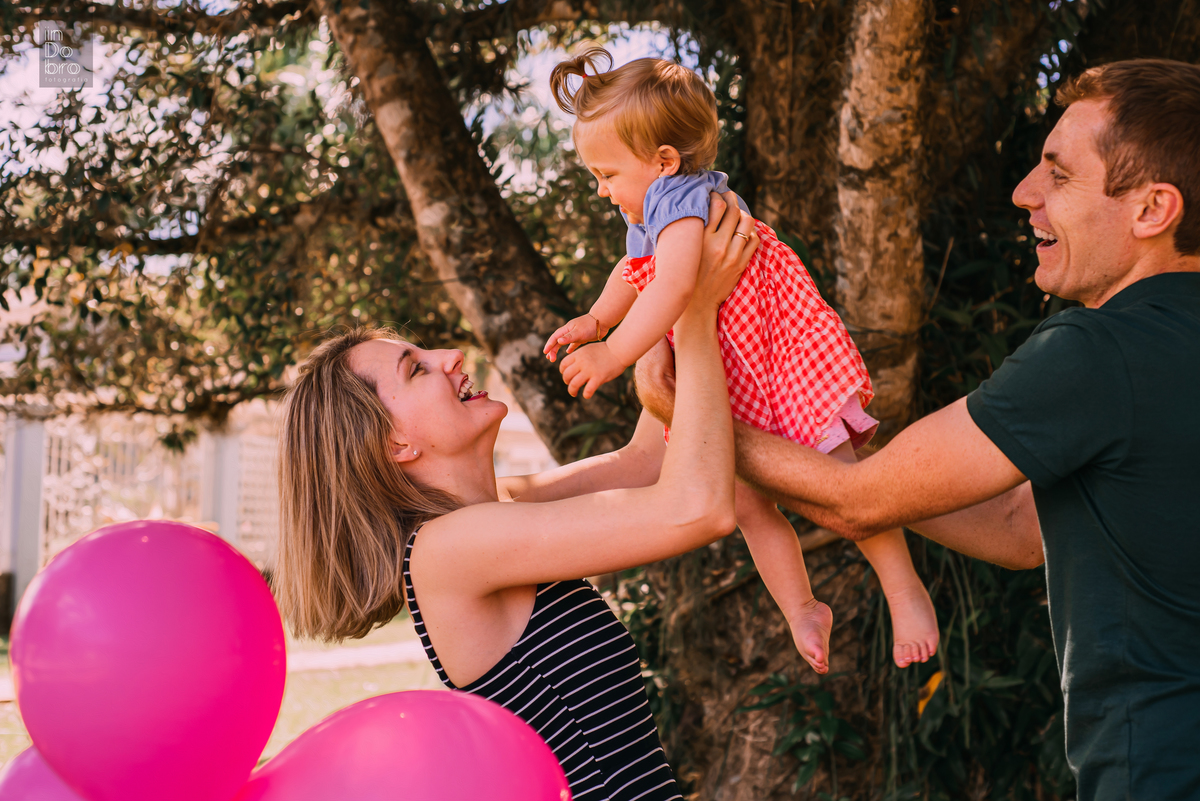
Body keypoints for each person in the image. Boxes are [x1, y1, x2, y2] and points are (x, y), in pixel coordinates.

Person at [638, 59, 1200, 800]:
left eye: (1059, 177)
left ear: (1153, 209)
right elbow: (1017, 526)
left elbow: (855, 502)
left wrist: (699, 413)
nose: (1024, 192)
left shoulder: (1099, 352)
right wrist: (862, 452)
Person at [273, 197, 758, 801]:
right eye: (417, 370)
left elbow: (646, 462)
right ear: (393, 444)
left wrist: (674, 295)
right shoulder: (449, 550)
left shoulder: (492, 517)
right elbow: (698, 508)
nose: (450, 357)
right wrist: (697, 311)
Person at [539, 47, 938, 674]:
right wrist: (596, 316)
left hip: (775, 353)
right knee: (749, 502)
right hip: (737, 362)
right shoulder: (654, 206)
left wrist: (614, 351)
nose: (601, 189)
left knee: (842, 478)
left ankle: (904, 589)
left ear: (664, 162)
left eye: (607, 174)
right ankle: (801, 605)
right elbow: (633, 270)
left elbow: (670, 288)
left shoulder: (680, 201)